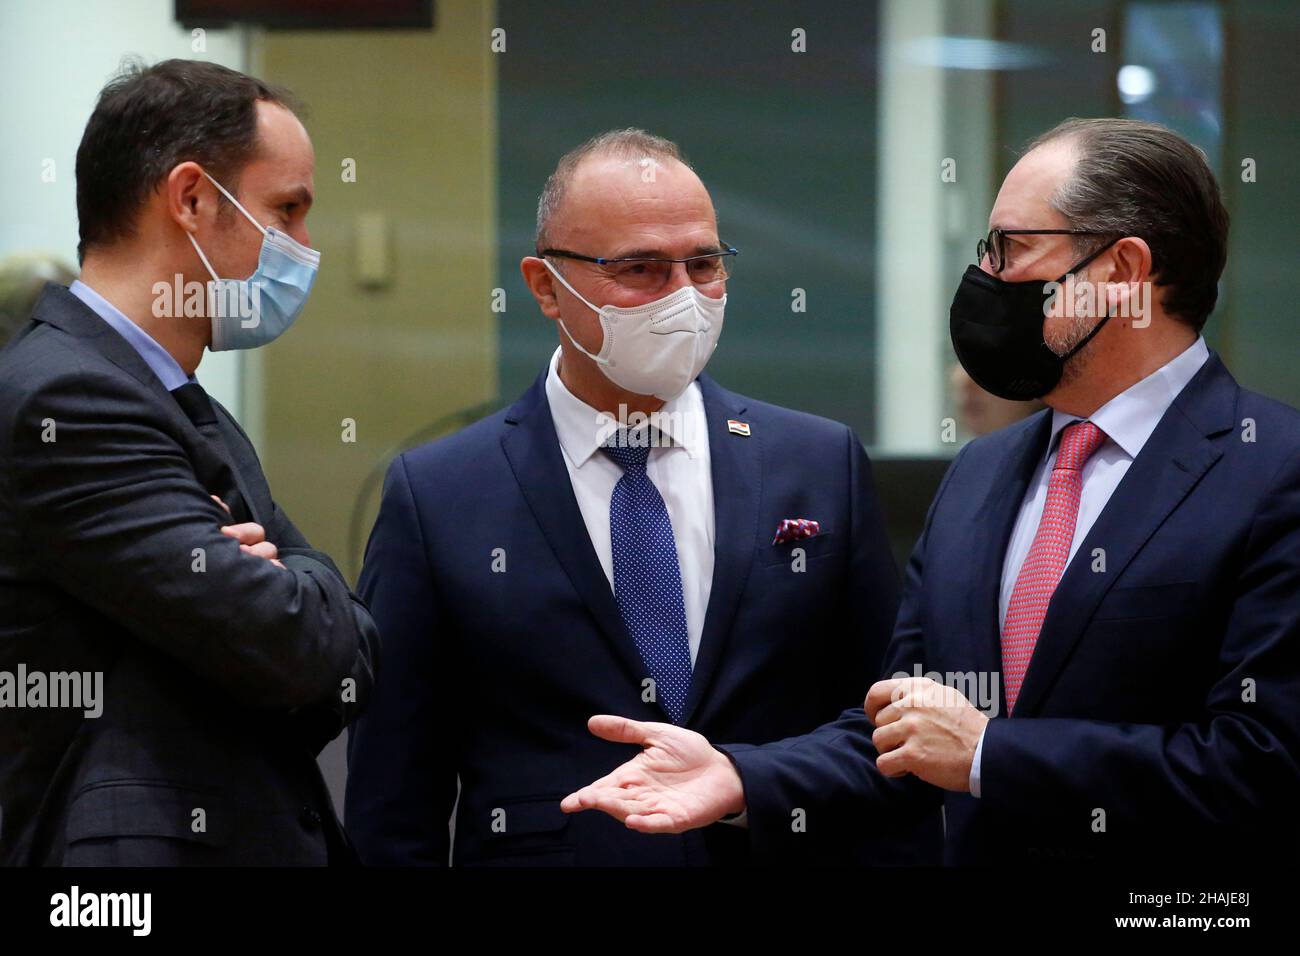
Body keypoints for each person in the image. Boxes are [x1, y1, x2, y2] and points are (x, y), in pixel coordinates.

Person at [562, 118, 1300, 864]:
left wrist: (989, 756)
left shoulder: (1273, 471)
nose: (985, 276)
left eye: (1009, 249)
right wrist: (737, 776)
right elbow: (905, 726)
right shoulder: (983, 473)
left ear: (1122, 270)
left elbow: (1266, 762)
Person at [345, 129, 938, 865]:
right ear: (543, 286)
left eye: (704, 263)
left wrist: (749, 782)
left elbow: (885, 727)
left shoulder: (818, 462)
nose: (684, 296)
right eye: (641, 270)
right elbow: (394, 797)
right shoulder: (440, 494)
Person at [0, 59, 378, 866]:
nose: (305, 248)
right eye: (288, 210)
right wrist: (291, 602)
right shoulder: (69, 398)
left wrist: (292, 592)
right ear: (194, 199)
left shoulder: (180, 401)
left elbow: (340, 658)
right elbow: (292, 646)